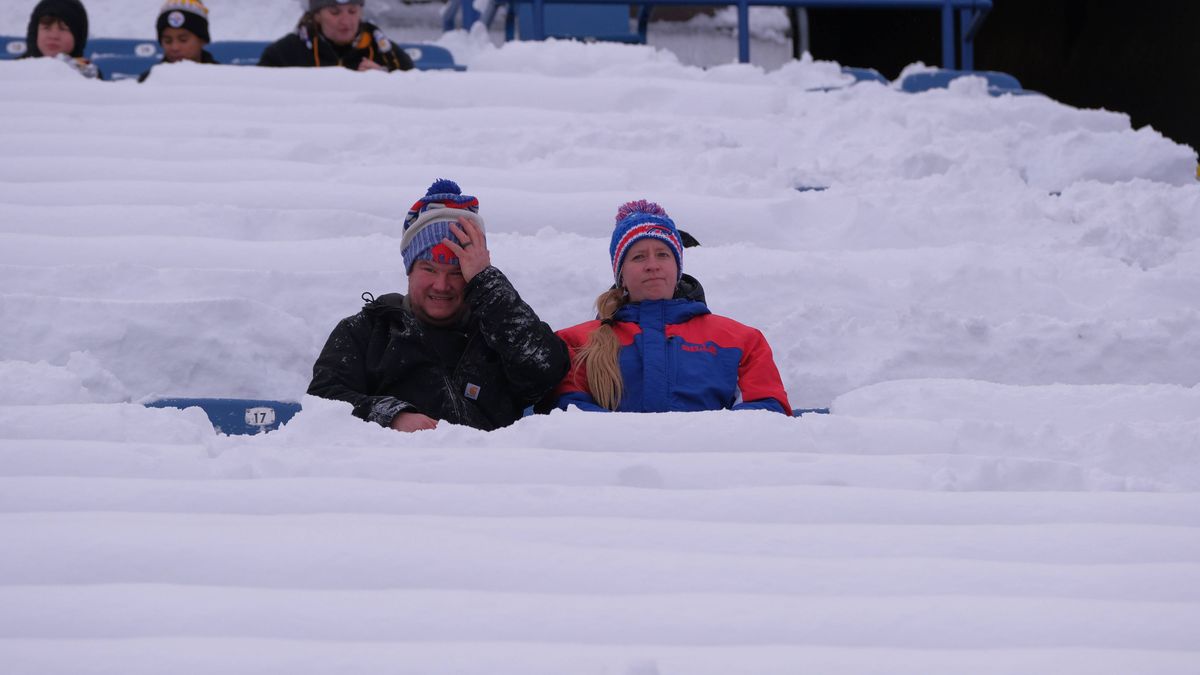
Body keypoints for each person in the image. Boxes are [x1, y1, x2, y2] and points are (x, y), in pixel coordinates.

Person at [308, 179, 569, 432]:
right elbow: (322, 403)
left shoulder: (498, 330)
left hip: (489, 474)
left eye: (456, 272)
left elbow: (546, 371)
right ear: (409, 269)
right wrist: (392, 416)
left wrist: (487, 282)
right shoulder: (364, 331)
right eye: (429, 269)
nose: (441, 285)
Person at [552, 200, 792, 415]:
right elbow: (565, 412)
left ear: (678, 269)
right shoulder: (577, 342)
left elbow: (768, 413)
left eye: (663, 255)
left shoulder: (743, 341)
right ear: (621, 275)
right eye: (638, 257)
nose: (652, 265)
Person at [258, 0, 413, 72]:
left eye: (352, 11)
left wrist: (384, 80)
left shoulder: (384, 51)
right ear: (317, 15)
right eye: (334, 12)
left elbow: (413, 94)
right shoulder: (283, 54)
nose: (346, 21)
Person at [139, 0, 217, 82]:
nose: (175, 47)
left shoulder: (222, 78)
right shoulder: (149, 81)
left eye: (183, 40)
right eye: (168, 41)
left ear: (202, 40)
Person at [21, 0, 98, 78]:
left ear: (78, 36)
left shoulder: (89, 73)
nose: (54, 36)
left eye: (63, 29)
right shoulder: (15, 69)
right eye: (46, 28)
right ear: (35, 32)